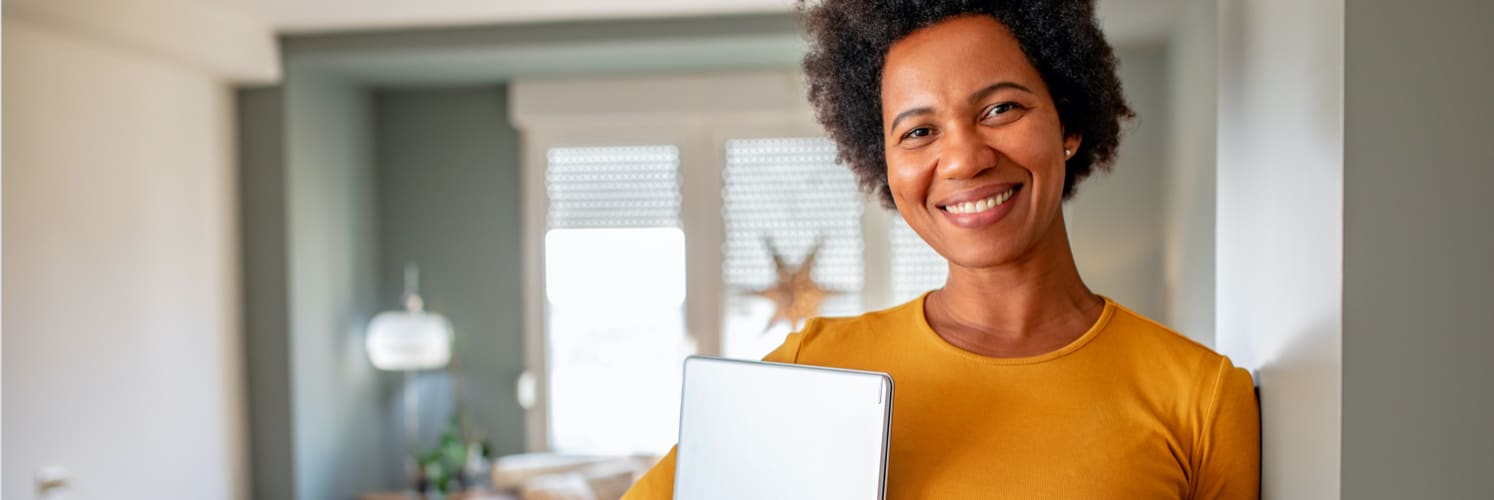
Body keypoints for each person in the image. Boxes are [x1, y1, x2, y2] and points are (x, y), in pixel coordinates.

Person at [623, 0, 1260, 497]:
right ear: (885, 163)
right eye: (919, 130)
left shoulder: (1201, 397)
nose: (961, 158)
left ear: (1067, 123)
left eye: (1001, 108)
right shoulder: (812, 366)